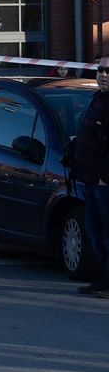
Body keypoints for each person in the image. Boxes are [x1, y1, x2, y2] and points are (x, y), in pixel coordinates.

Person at [68, 55, 109, 298]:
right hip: (91, 179)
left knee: (107, 234)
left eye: (108, 71)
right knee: (95, 231)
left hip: (104, 182)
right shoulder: (98, 99)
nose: (104, 74)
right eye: (100, 70)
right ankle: (102, 280)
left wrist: (106, 177)